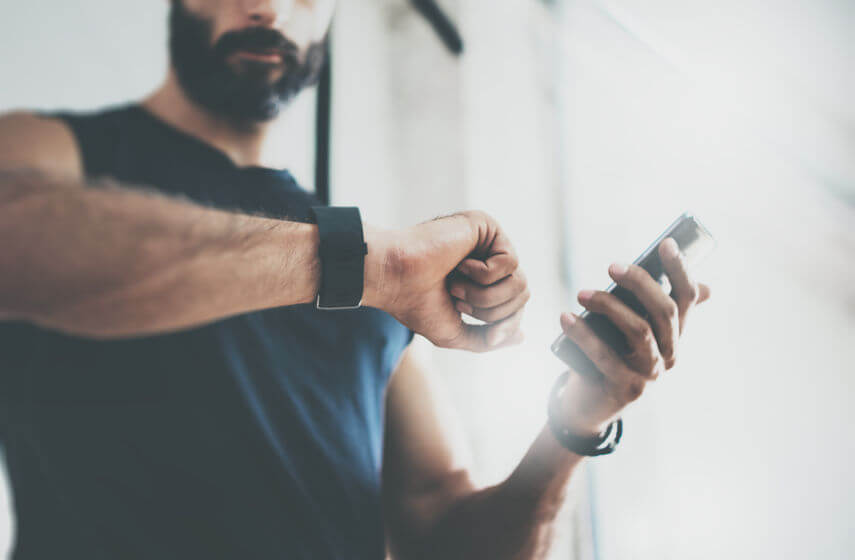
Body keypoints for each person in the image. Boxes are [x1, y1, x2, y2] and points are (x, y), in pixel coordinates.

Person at [0, 1, 711, 558]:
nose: (270, 9)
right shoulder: (54, 152)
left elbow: (441, 534)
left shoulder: (368, 264)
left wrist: (576, 422)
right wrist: (380, 267)